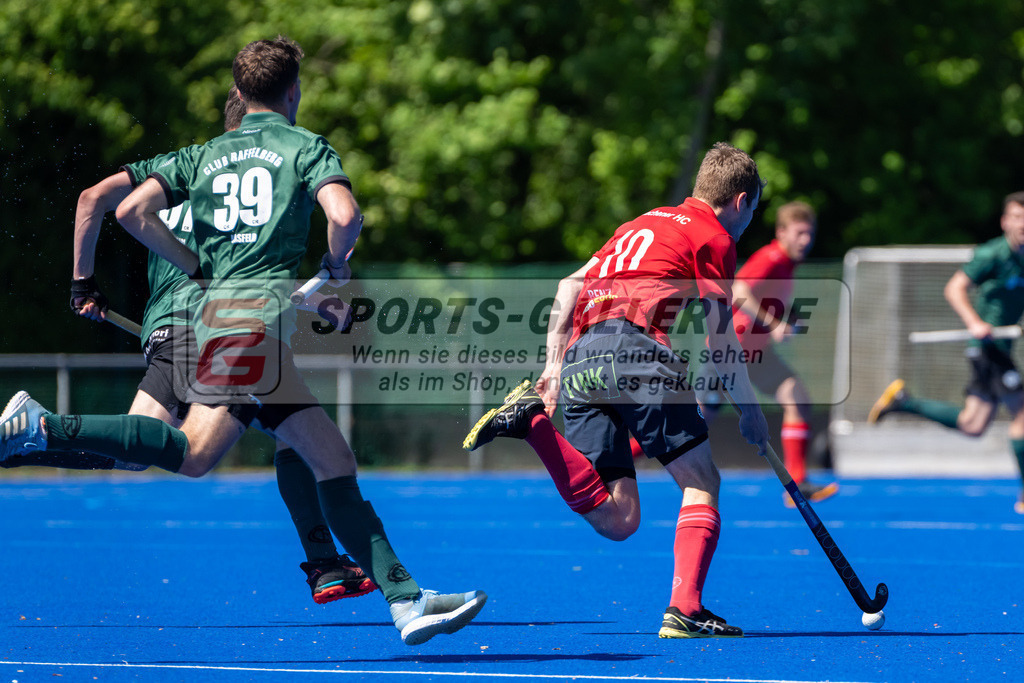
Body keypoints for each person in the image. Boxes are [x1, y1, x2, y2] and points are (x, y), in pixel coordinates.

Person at [0, 36, 486, 645]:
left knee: (332, 458)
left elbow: (128, 214)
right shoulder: (304, 146)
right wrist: (337, 264)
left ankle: (406, 600)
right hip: (250, 328)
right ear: (292, 92)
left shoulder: (202, 156)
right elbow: (344, 216)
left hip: (227, 322)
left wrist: (197, 267)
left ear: (239, 90)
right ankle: (45, 429)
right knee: (197, 454)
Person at [55, 86, 374, 605]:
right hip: (215, 326)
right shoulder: (245, 189)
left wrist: (81, 283)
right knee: (197, 450)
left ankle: (20, 440)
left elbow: (93, 198)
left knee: (154, 447)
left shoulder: (177, 172)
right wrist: (324, 305)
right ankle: (37, 429)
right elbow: (243, 279)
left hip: (167, 331)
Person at [463, 142, 770, 638]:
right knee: (701, 481)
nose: (749, 220)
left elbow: (568, 285)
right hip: (636, 348)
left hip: (584, 356)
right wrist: (751, 412)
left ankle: (534, 426)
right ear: (740, 201)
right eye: (754, 209)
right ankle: (685, 609)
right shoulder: (715, 238)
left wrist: (553, 370)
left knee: (619, 518)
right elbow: (721, 341)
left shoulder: (639, 225)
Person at [869, 191, 1024, 515]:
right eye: (1017, 217)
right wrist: (975, 322)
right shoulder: (992, 254)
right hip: (988, 348)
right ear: (1004, 221)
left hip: (1002, 346)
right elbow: (954, 288)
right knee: (1022, 416)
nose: (1023, 224)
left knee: (973, 424)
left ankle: (904, 402)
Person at [702, 201, 838, 507]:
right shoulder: (772, 257)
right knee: (691, 425)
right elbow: (738, 291)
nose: (806, 240)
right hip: (728, 351)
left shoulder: (788, 266)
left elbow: (764, 301)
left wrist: (784, 320)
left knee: (797, 397)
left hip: (757, 353)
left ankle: (798, 484)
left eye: (810, 234)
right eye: (800, 233)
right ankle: (618, 461)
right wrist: (775, 324)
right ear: (781, 233)